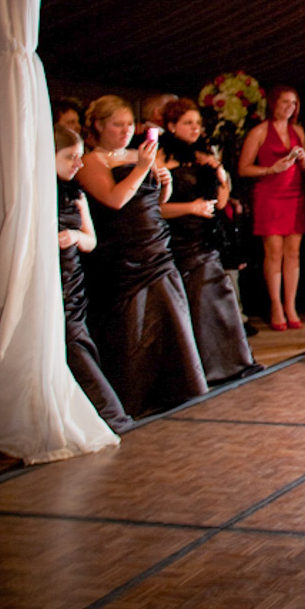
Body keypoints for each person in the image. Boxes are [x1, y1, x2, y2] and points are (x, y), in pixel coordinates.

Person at [76, 95, 208, 416]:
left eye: (127, 125)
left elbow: (156, 201)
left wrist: (164, 181)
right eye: (116, 125)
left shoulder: (136, 153)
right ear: (98, 126)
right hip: (123, 249)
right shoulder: (92, 160)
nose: (124, 132)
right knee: (133, 321)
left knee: (170, 314)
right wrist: (143, 169)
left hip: (155, 242)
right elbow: (114, 200)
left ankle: (178, 386)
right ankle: (136, 393)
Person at [158, 100, 261, 383]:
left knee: (215, 294)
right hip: (176, 237)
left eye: (198, 124)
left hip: (205, 237)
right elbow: (154, 207)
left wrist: (221, 176)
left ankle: (229, 362)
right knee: (192, 299)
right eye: (188, 123)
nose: (195, 128)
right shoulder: (160, 156)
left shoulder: (204, 154)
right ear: (171, 126)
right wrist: (190, 208)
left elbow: (220, 203)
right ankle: (196, 369)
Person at [54, 126, 134, 434]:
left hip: (72, 279)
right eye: (70, 157)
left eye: (79, 156)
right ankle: (106, 411)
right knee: (72, 342)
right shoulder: (33, 193)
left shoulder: (76, 195)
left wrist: (74, 235)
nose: (78, 164)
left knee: (77, 338)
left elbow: (91, 240)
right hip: (48, 280)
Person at [238, 85, 305, 330]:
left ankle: (290, 304)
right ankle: (275, 305)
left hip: (295, 194)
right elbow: (243, 168)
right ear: (273, 104)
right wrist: (271, 169)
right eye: (285, 102)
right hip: (269, 194)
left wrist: (301, 159)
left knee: (293, 253)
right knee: (274, 252)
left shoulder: (298, 130)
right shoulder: (259, 131)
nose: (289, 107)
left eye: (293, 103)